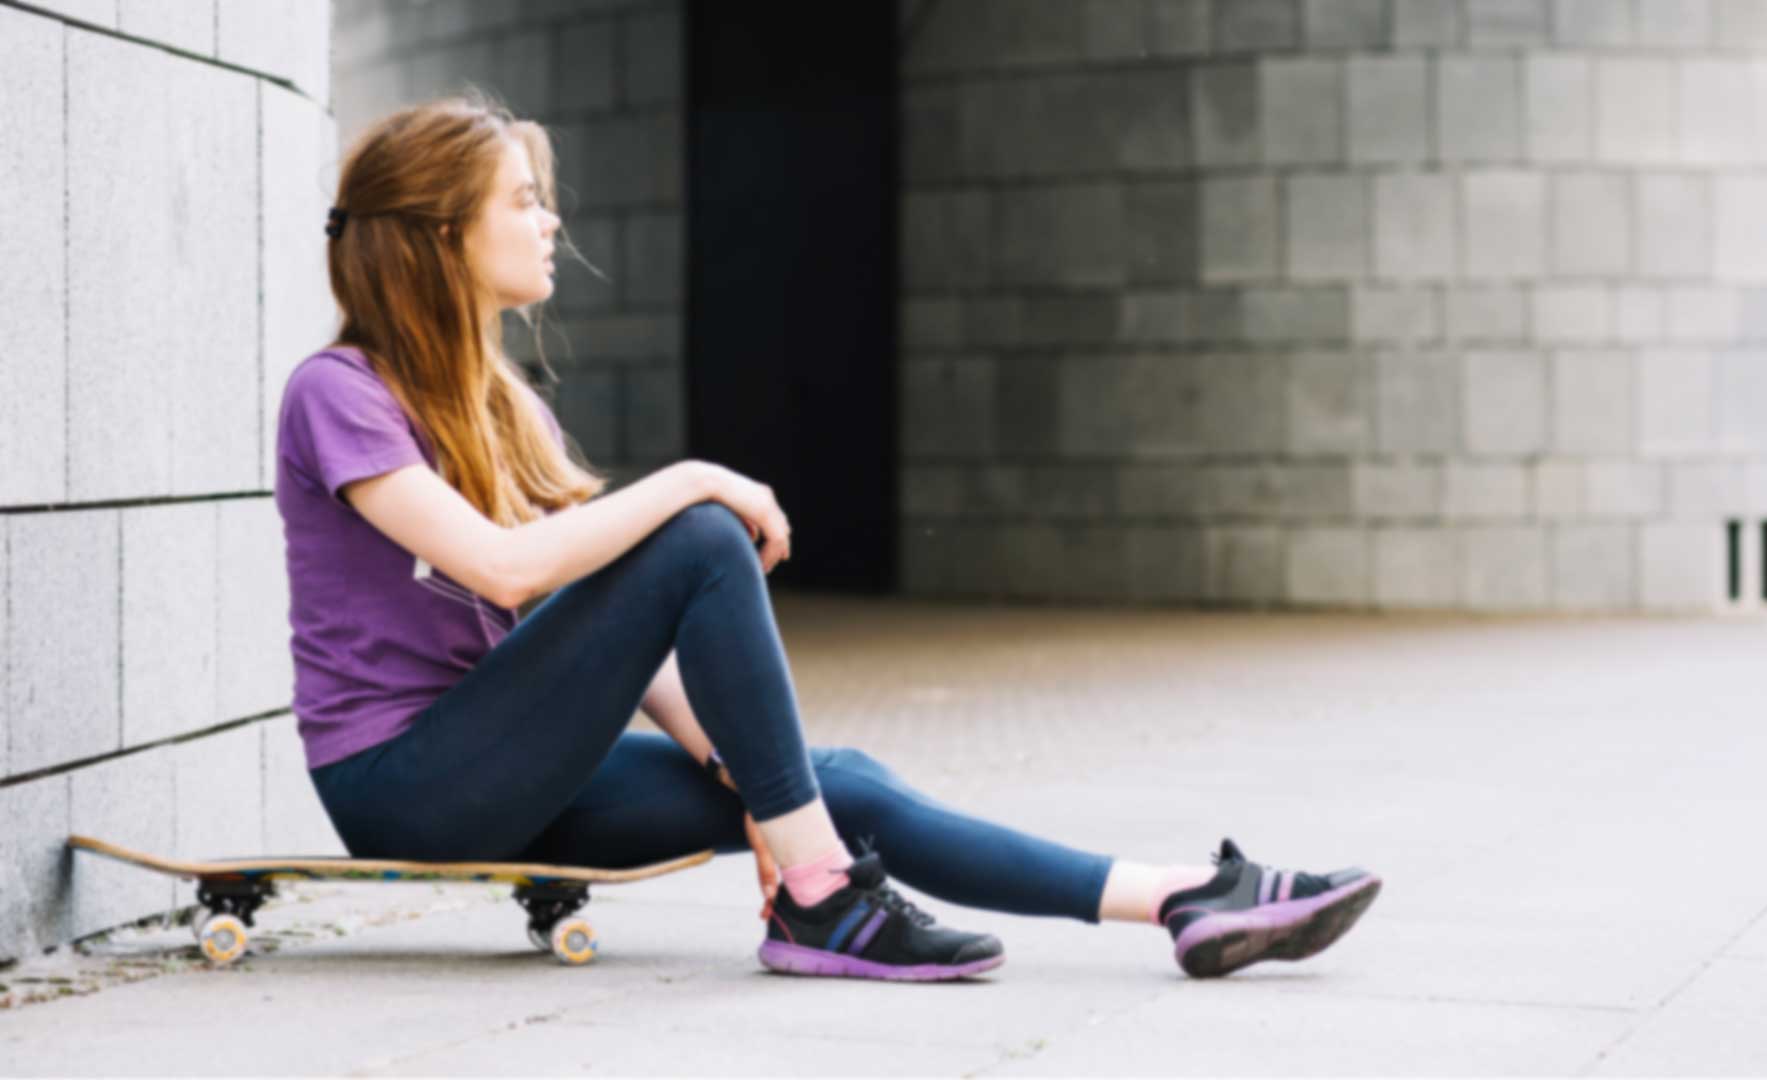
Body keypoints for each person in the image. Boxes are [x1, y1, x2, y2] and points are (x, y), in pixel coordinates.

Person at [277, 94, 1381, 983]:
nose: (552, 219)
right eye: (525, 200)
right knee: (702, 535)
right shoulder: (337, 393)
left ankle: (1182, 898)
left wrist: (753, 774)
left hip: (519, 763)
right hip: (408, 782)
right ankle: (821, 902)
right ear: (439, 235)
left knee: (827, 779)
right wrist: (697, 479)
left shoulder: (505, 408)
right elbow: (507, 569)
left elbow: (621, 641)